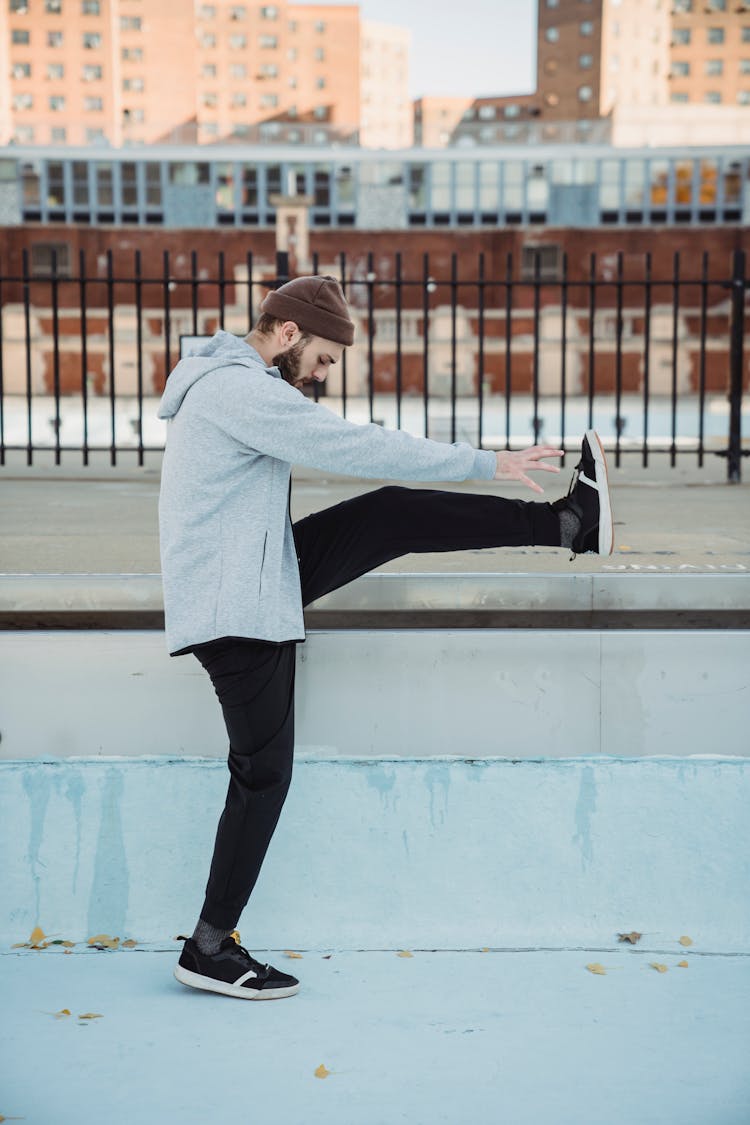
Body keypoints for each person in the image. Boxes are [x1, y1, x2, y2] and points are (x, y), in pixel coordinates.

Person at [157, 274, 613, 1002]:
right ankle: (209, 946)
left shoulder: (226, 379)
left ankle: (567, 525)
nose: (323, 375)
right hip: (236, 607)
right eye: (325, 359)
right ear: (287, 334)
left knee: (389, 517)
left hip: (255, 573)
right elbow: (356, 444)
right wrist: (485, 461)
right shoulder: (241, 391)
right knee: (263, 774)